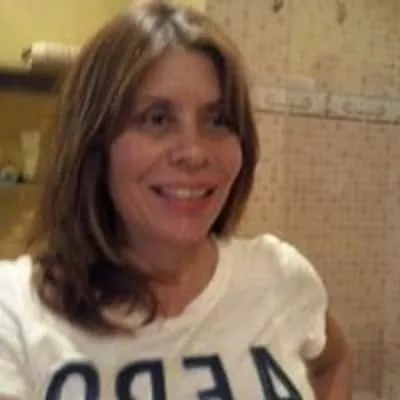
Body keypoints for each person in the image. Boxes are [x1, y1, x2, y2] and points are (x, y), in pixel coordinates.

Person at [0, 1, 352, 399]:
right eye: (157, 119)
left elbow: (333, 362)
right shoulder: (15, 313)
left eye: (218, 120)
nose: (194, 152)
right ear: (95, 144)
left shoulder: (280, 277)